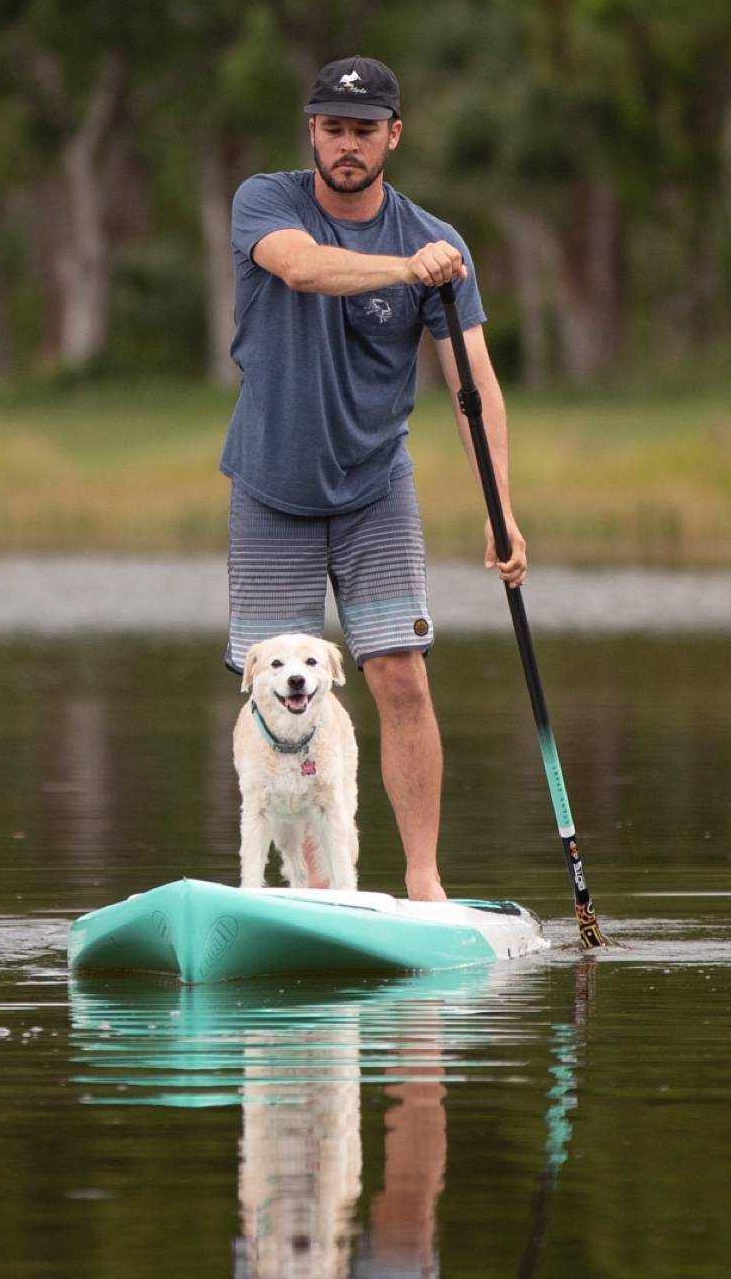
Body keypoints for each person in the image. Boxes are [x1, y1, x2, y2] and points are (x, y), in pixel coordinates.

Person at [220, 55, 527, 904]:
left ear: (394, 134)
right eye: (331, 128)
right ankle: (296, 887)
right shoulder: (265, 201)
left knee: (400, 676)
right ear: (311, 133)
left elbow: (475, 388)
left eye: (363, 130)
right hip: (270, 489)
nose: (346, 145)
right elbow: (303, 268)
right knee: (275, 687)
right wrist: (407, 270)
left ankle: (422, 880)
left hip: (373, 488)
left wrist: (501, 511)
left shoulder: (437, 240)